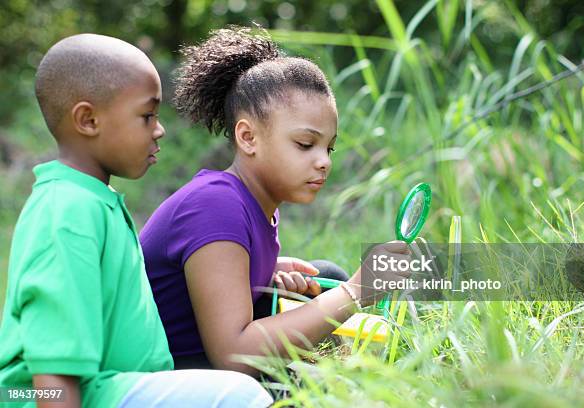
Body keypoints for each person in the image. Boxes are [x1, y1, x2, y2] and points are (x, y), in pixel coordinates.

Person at [0, 33, 272, 408]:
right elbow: (52, 355)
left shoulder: (97, 200)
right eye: (147, 116)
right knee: (239, 395)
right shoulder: (67, 210)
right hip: (68, 395)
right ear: (88, 119)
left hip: (113, 386)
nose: (159, 129)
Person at [140, 26, 406, 375]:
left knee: (323, 276)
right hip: (172, 380)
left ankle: (347, 370)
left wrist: (260, 271)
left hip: (206, 363)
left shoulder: (252, 205)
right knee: (339, 289)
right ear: (248, 137)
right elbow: (234, 356)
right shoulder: (216, 206)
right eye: (304, 144)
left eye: (329, 147)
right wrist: (356, 291)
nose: (324, 160)